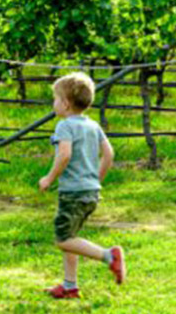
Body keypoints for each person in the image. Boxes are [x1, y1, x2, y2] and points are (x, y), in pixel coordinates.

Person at [39, 71, 125, 299]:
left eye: (55, 99)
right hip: (90, 191)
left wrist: (49, 178)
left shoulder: (65, 126)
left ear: (65, 104)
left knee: (63, 240)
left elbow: (64, 155)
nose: (54, 103)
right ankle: (70, 286)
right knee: (73, 237)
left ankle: (109, 256)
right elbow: (109, 155)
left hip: (72, 193)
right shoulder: (93, 126)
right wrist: (95, 181)